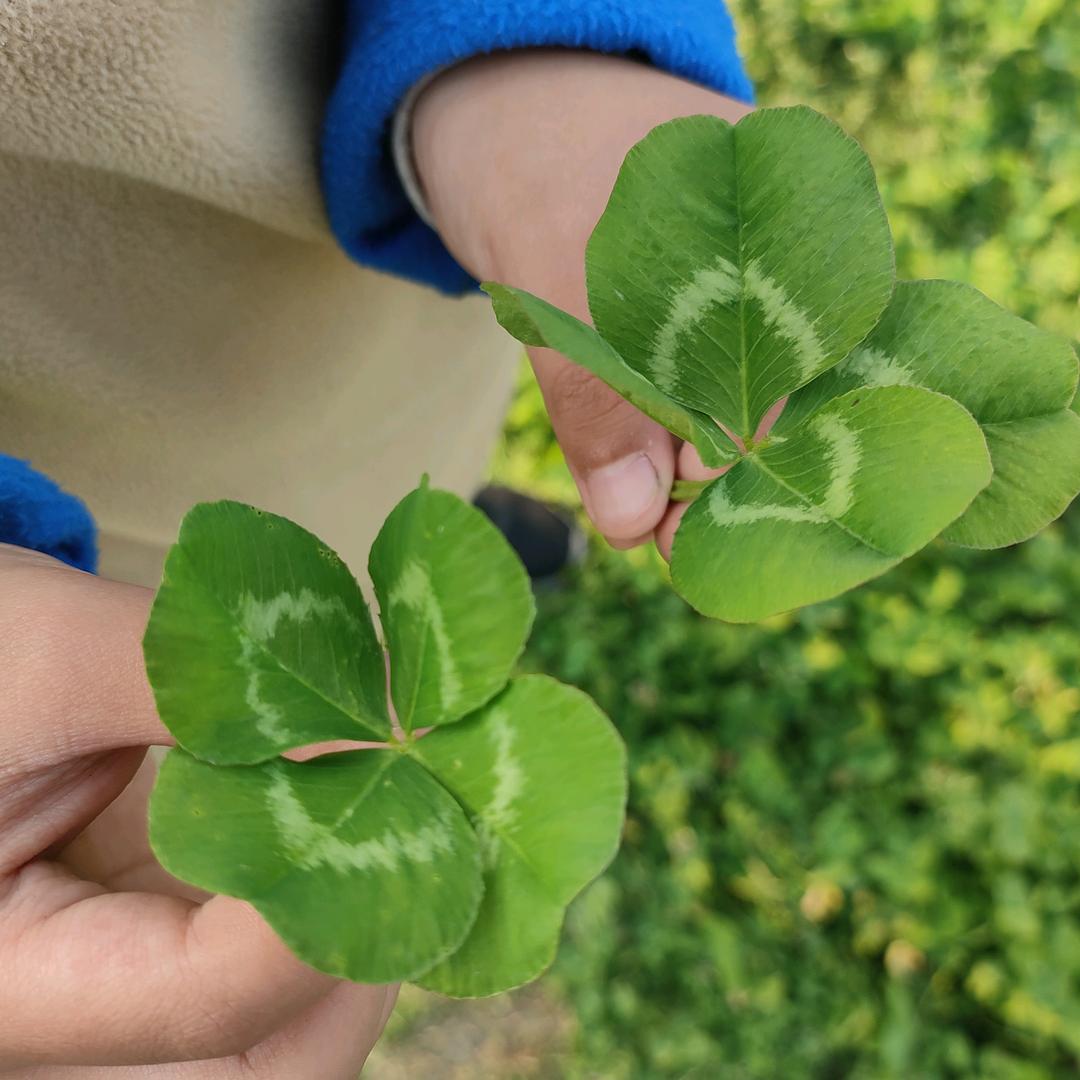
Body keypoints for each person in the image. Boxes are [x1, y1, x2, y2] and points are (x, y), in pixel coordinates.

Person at [0, 4, 753, 1074]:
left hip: (370, 281)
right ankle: (451, 565)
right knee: (338, 623)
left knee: (415, 500)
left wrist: (527, 55)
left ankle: (459, 531)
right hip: (87, 511)